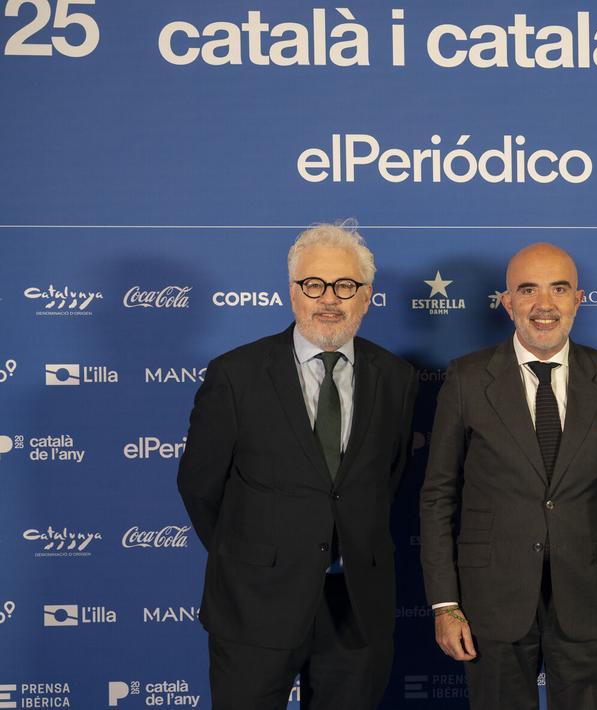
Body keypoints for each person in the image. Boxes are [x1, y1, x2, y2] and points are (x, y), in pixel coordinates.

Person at [177, 223, 418, 709]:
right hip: (255, 603)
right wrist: (255, 557)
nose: (328, 299)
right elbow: (200, 487)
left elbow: (387, 480)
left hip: (356, 608)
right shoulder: (236, 375)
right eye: (313, 285)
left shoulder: (397, 377)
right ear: (292, 292)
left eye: (345, 286)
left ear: (366, 297)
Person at [420, 242, 597, 710]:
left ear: (578, 300)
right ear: (507, 303)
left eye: (558, 289)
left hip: (591, 598)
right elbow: (438, 497)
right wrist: (445, 604)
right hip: (492, 602)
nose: (544, 305)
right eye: (528, 290)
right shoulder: (467, 379)